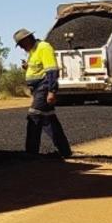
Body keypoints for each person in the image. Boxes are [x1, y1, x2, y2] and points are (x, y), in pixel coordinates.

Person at [14, 28, 72, 159]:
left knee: (34, 116)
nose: (22, 48)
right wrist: (27, 67)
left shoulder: (44, 47)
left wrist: (52, 91)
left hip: (44, 86)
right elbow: (38, 67)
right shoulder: (33, 51)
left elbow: (52, 71)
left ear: (27, 39)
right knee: (48, 119)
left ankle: (31, 152)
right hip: (38, 88)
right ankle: (65, 151)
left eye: (22, 44)